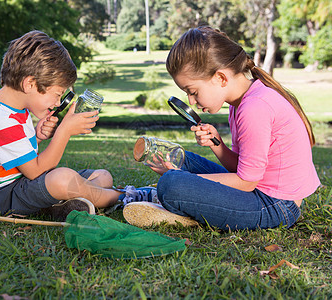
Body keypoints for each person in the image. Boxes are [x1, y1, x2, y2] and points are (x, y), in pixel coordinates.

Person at [123, 26, 320, 230]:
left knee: (171, 183)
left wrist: (186, 180)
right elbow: (245, 169)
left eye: (193, 91)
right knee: (184, 160)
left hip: (276, 207)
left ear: (220, 78)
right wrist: (217, 145)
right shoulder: (243, 102)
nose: (192, 101)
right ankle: (185, 199)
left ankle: (178, 205)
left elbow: (246, 182)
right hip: (263, 192)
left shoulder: (255, 108)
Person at [0, 30, 122, 221]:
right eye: (57, 94)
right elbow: (35, 171)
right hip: (1, 197)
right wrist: (64, 131)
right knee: (62, 178)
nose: (58, 103)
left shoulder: (7, 104)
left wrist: (36, 136)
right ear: (30, 84)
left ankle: (64, 205)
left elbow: (15, 152)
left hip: (20, 183)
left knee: (103, 176)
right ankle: (124, 197)